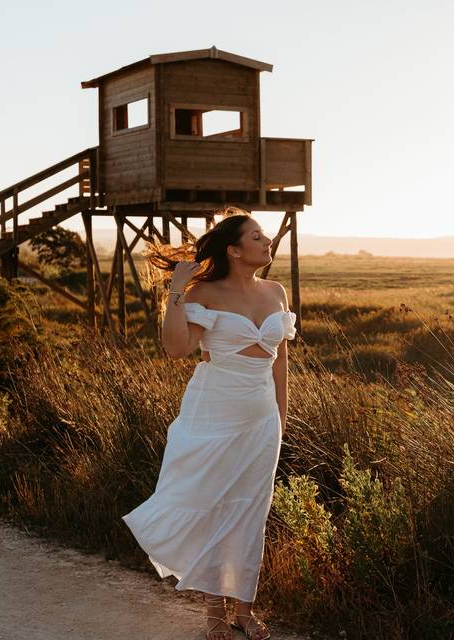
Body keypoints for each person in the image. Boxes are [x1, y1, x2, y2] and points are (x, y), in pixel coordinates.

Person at [122, 210, 295, 640]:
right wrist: (177, 291)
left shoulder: (276, 292)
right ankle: (215, 609)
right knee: (216, 505)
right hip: (214, 410)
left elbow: (281, 365)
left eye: (264, 233)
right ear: (235, 250)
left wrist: (280, 418)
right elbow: (177, 348)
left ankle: (245, 610)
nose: (266, 239)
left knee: (252, 510)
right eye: (257, 235)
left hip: (260, 417)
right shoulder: (204, 292)